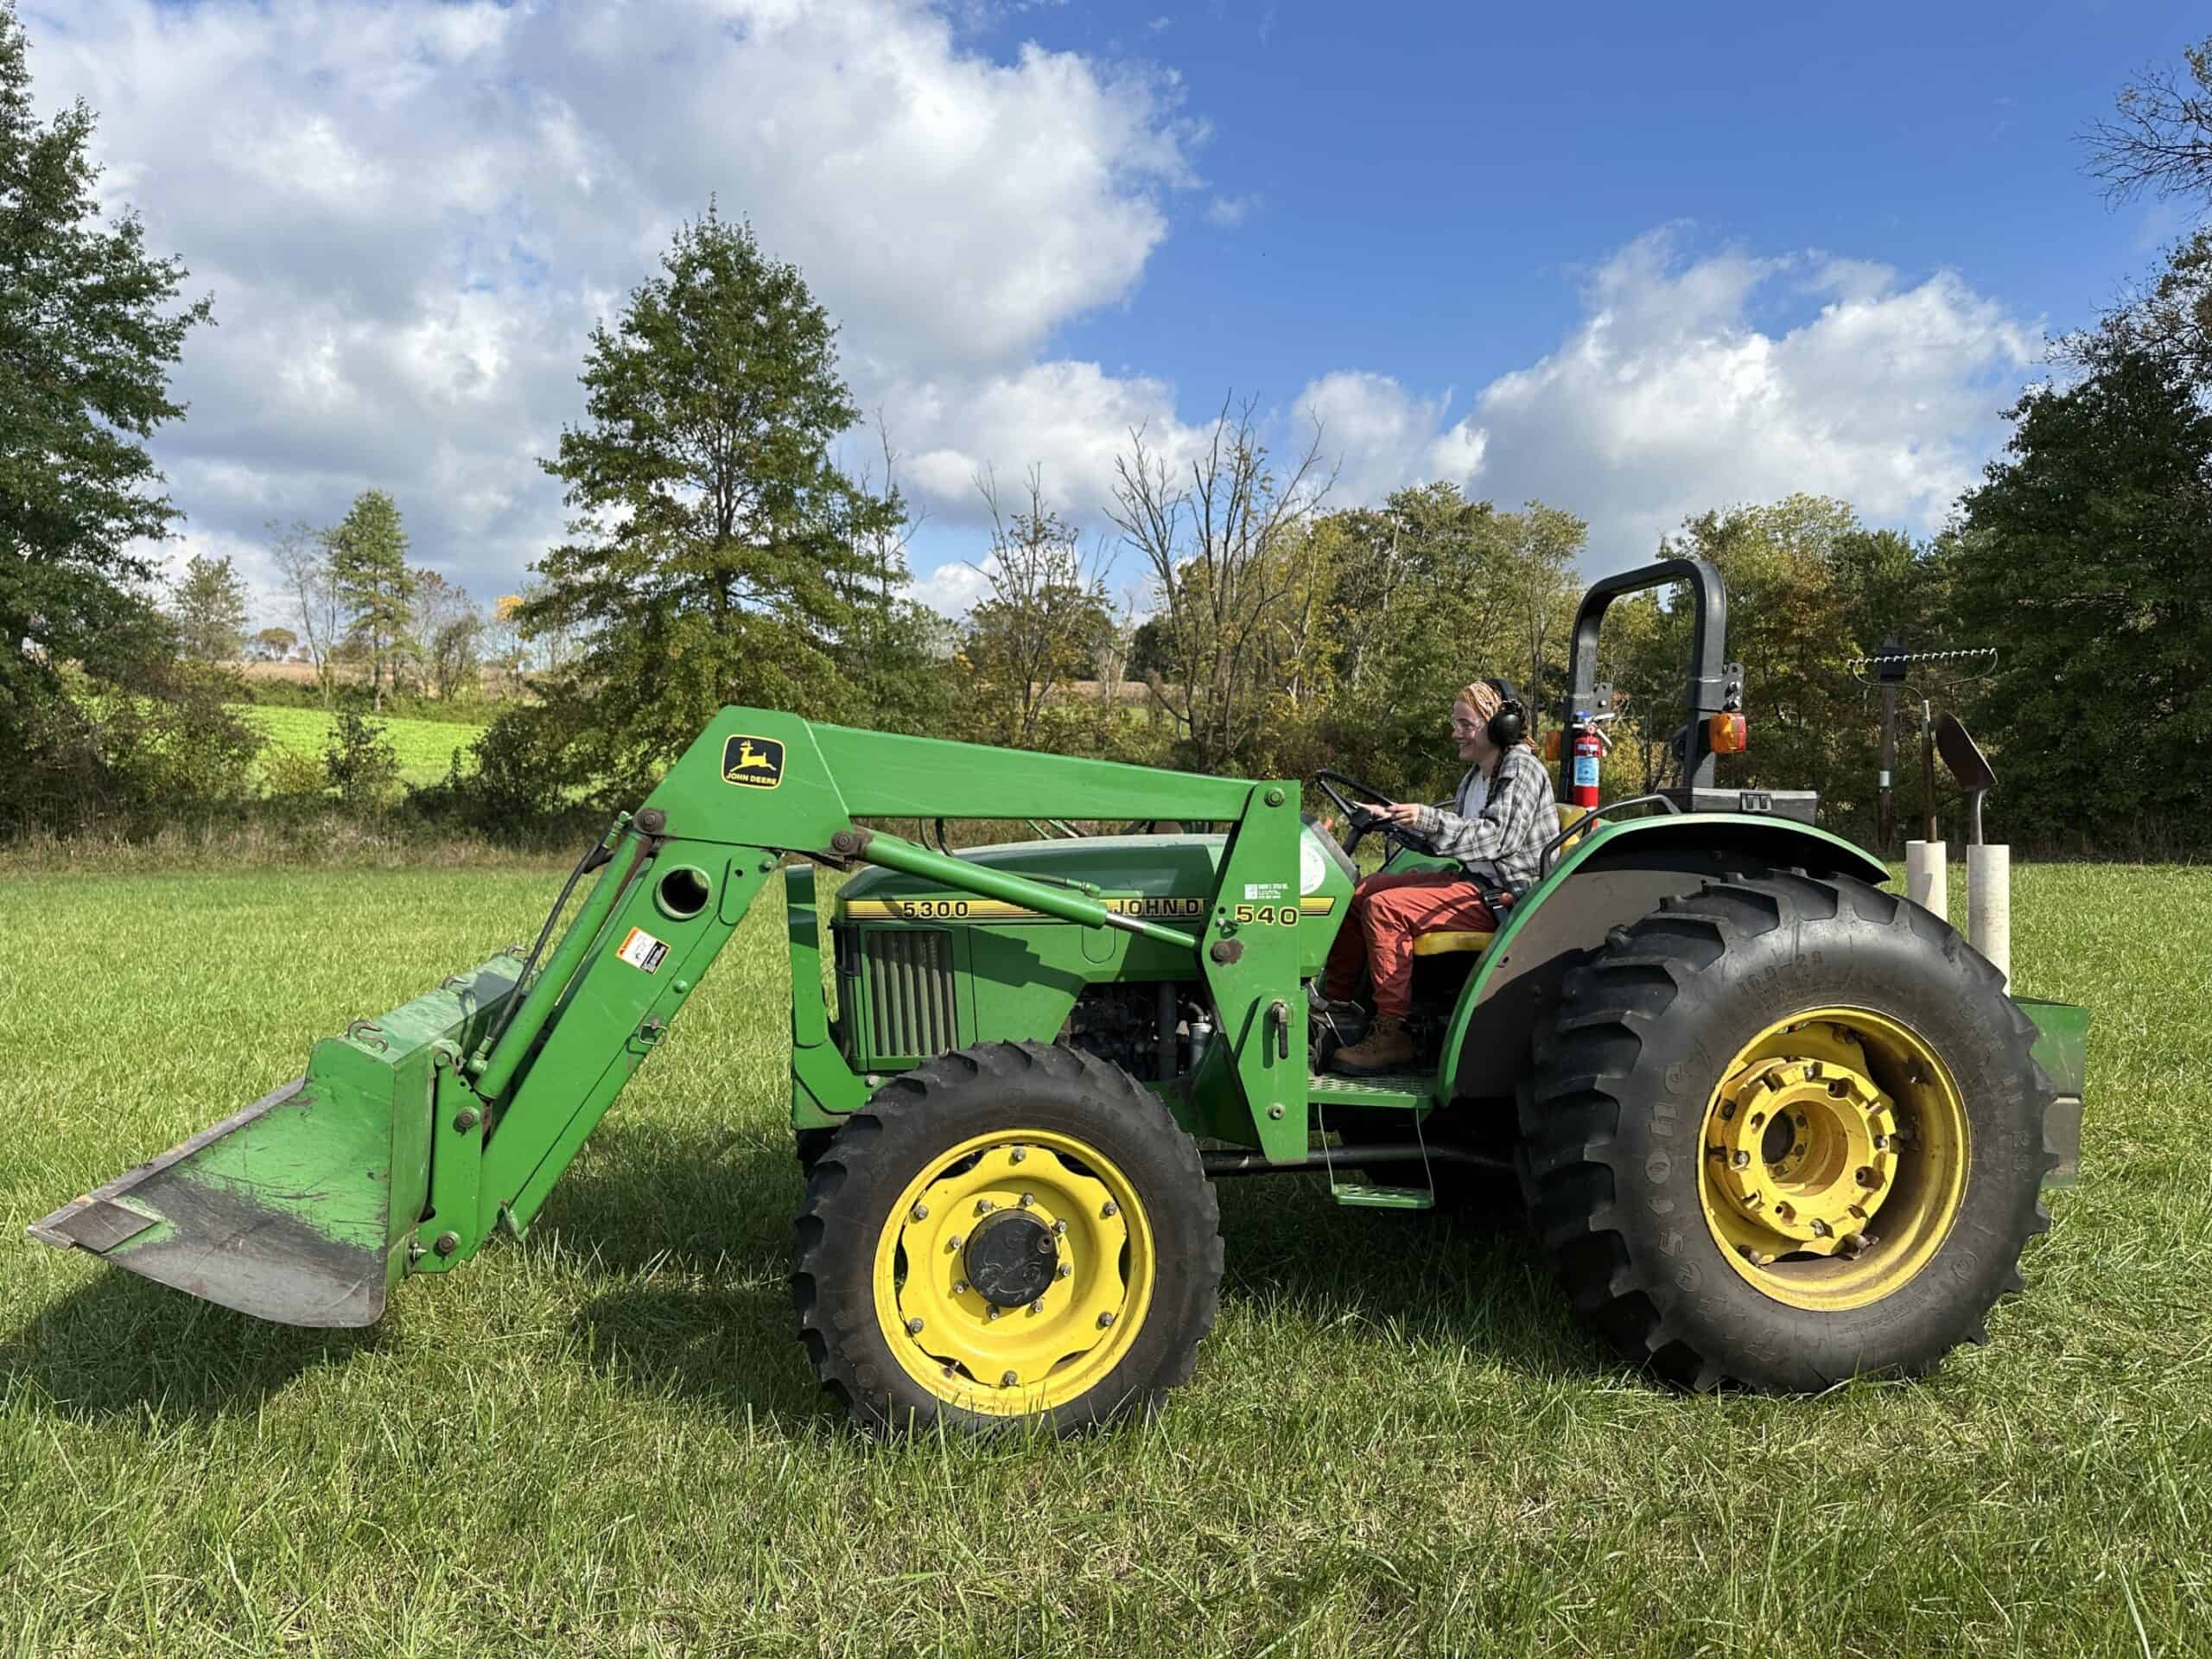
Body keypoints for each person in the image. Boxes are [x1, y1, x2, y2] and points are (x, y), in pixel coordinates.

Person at [1322, 677, 1560, 1076]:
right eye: (1456, 723)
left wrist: (1427, 817)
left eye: (1465, 725)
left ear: (1498, 726)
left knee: (1385, 908)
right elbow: (1450, 840)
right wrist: (1393, 819)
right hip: (1474, 883)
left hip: (1508, 896)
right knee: (1362, 890)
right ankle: (1337, 1008)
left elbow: (1497, 839)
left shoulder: (1522, 770)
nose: (1456, 734)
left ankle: (1392, 1032)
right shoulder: (1476, 775)